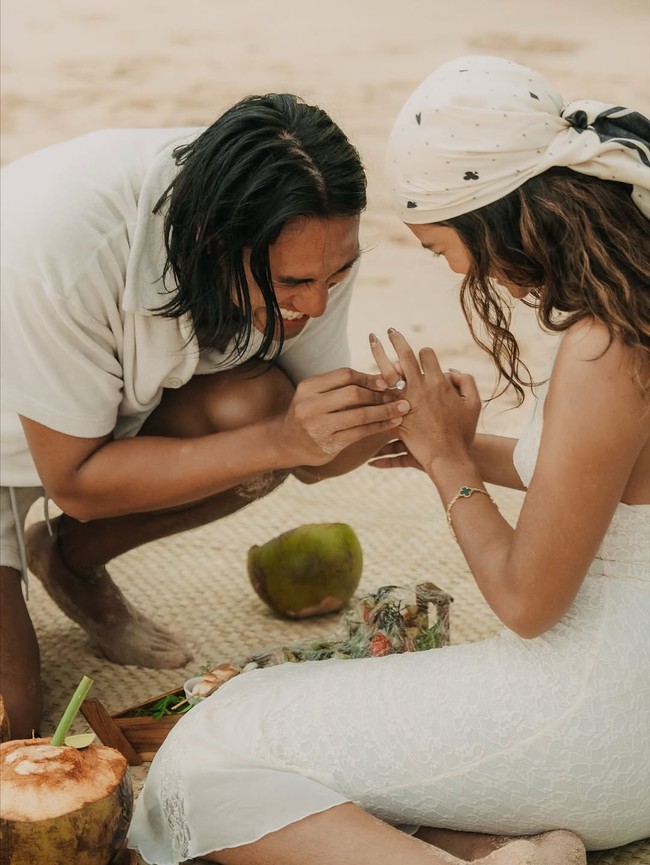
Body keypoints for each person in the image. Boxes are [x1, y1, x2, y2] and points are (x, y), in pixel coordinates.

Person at [127, 56, 650, 865]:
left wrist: (449, 464)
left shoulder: (601, 351)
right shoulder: (633, 313)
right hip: (626, 696)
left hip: (595, 716)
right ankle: (512, 849)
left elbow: (526, 601)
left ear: (494, 216)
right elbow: (607, 484)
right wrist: (454, 439)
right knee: (276, 715)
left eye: (443, 246)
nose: (457, 270)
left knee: (204, 757)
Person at [0, 94, 411, 740]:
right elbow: (73, 480)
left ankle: (68, 559)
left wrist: (397, 413)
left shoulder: (306, 233)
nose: (318, 302)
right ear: (210, 242)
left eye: (339, 273)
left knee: (260, 412)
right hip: (49, 447)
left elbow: (314, 454)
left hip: (95, 419)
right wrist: (279, 440)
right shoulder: (59, 247)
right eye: (294, 285)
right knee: (13, 720)